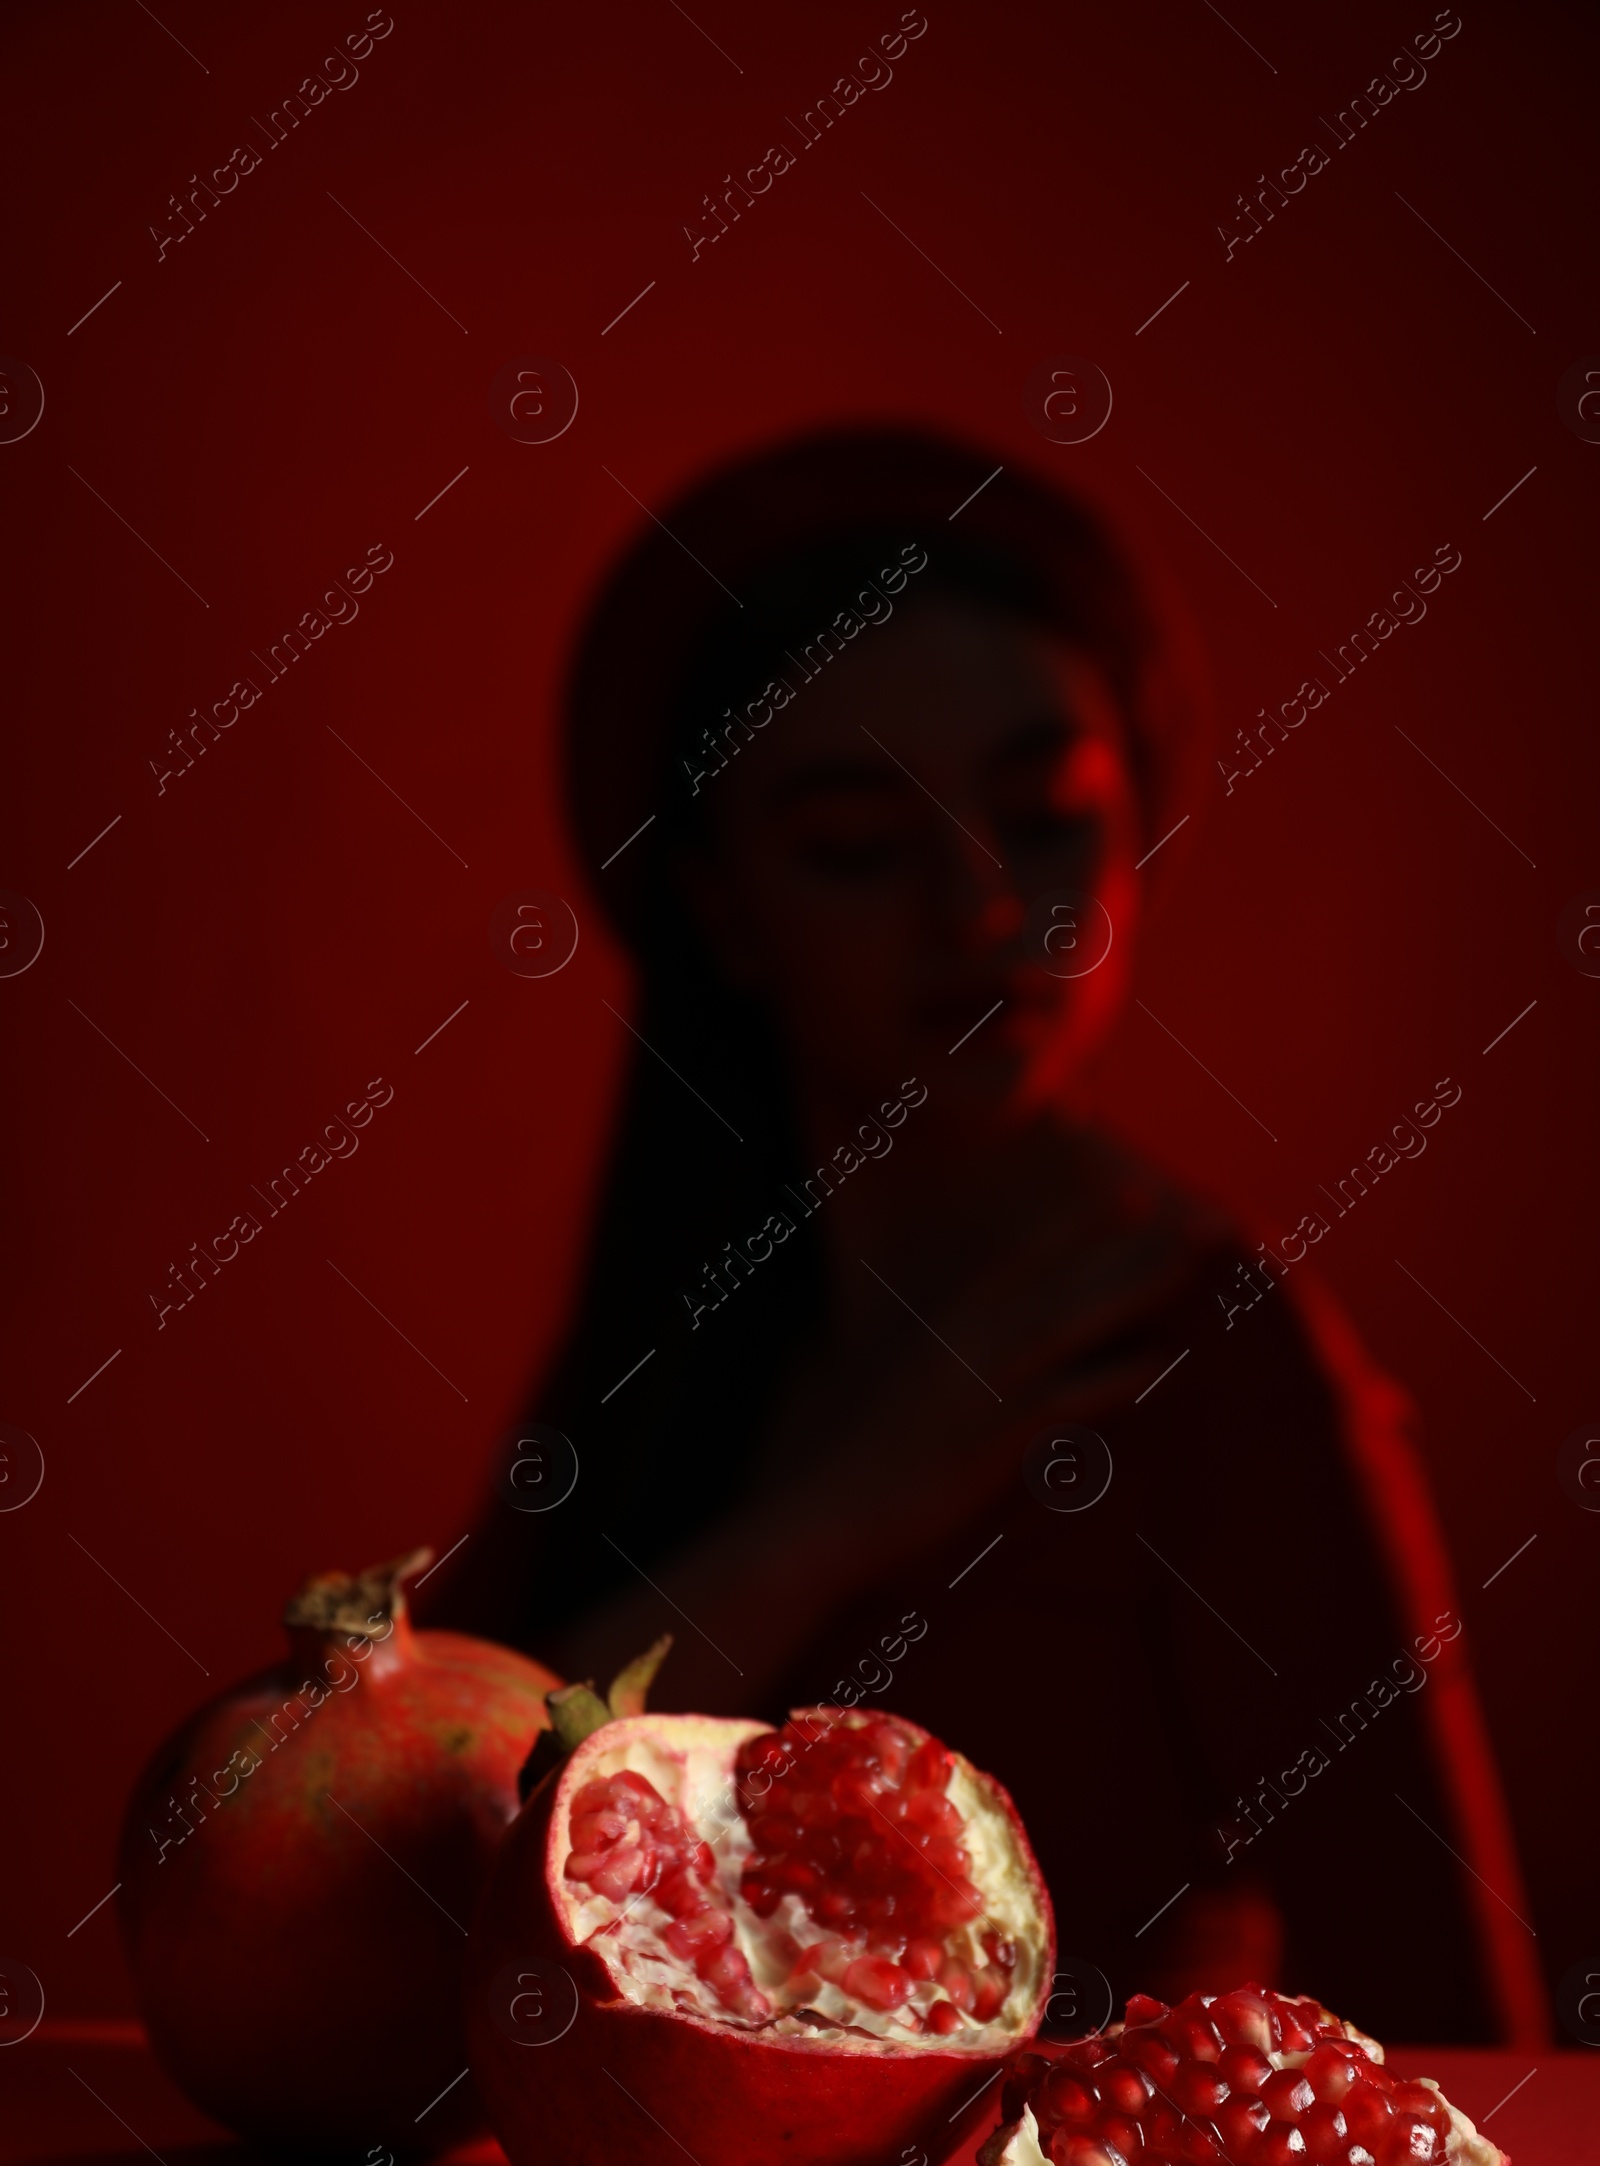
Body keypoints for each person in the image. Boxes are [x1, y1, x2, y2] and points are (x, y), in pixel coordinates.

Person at [438, 425, 1546, 2047]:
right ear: (720, 910)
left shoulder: (1204, 1351)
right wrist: (845, 1512)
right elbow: (416, 1857)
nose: (975, 910)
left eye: (1042, 819)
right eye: (857, 848)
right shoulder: (683, 1336)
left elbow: (1460, 2034)